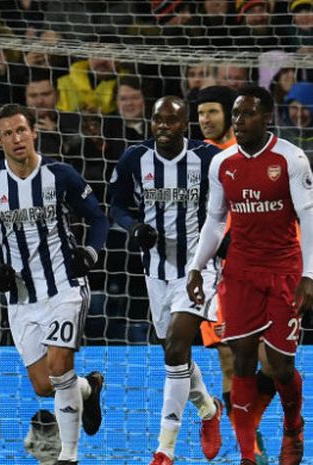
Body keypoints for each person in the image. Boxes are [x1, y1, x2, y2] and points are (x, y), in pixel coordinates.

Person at [0, 104, 108, 465]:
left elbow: (97, 219)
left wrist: (90, 253)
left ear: (33, 132)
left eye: (21, 130)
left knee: (60, 367)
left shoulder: (60, 175)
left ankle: (69, 456)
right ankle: (88, 389)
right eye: (8, 133)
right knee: (45, 385)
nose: (17, 139)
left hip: (64, 287)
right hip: (21, 298)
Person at [187, 86, 313, 465]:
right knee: (240, 359)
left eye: (248, 114)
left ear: (268, 117)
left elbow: (308, 217)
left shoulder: (291, 159)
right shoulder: (221, 163)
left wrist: (309, 274)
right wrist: (196, 266)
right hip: (239, 271)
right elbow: (214, 221)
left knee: (280, 366)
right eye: (236, 115)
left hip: (284, 269)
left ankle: (293, 426)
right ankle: (247, 455)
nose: (239, 122)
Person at [109, 96, 223, 465]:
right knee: (176, 355)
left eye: (171, 121)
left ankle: (164, 450)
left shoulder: (206, 158)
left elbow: (223, 210)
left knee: (176, 346)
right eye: (157, 120)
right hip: (155, 271)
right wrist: (134, 227)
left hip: (197, 268)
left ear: (185, 124)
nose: (162, 127)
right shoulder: (134, 159)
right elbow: (115, 207)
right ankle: (208, 410)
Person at [195, 85, 274, 465]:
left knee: (272, 363)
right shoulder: (197, 160)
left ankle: (252, 416)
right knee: (231, 360)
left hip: (263, 269)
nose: (205, 120)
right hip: (215, 274)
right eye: (200, 114)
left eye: (212, 112)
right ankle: (250, 444)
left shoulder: (255, 154)